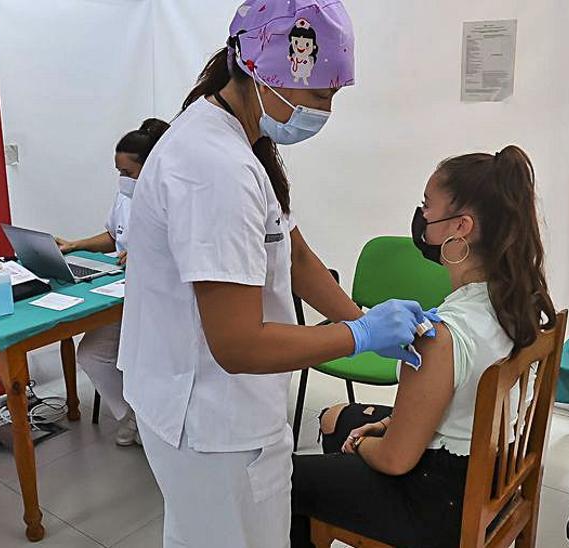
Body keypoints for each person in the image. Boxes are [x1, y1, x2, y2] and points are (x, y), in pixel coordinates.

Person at [118, 2, 436, 546]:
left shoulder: (239, 138)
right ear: (259, 70)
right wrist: (357, 336)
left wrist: (358, 317)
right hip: (212, 418)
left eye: (334, 96)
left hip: (202, 402)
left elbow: (295, 257)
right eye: (318, 96)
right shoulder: (215, 168)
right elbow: (237, 344)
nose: (325, 112)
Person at [290, 145, 558, 548]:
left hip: (439, 505)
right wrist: (386, 426)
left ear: (461, 227)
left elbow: (397, 461)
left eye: (426, 207)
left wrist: (363, 442)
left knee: (285, 479)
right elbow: (454, 408)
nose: (422, 218)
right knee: (334, 417)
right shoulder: (519, 302)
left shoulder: (440, 335)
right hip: (490, 476)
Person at [54, 118, 170, 446]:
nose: (122, 180)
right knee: (91, 353)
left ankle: (156, 417)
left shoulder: (174, 196)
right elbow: (113, 235)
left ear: (151, 166)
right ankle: (133, 413)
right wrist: (75, 245)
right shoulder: (124, 197)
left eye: (127, 173)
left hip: (159, 301)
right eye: (118, 172)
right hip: (122, 295)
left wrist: (146, 255)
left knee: (143, 358)